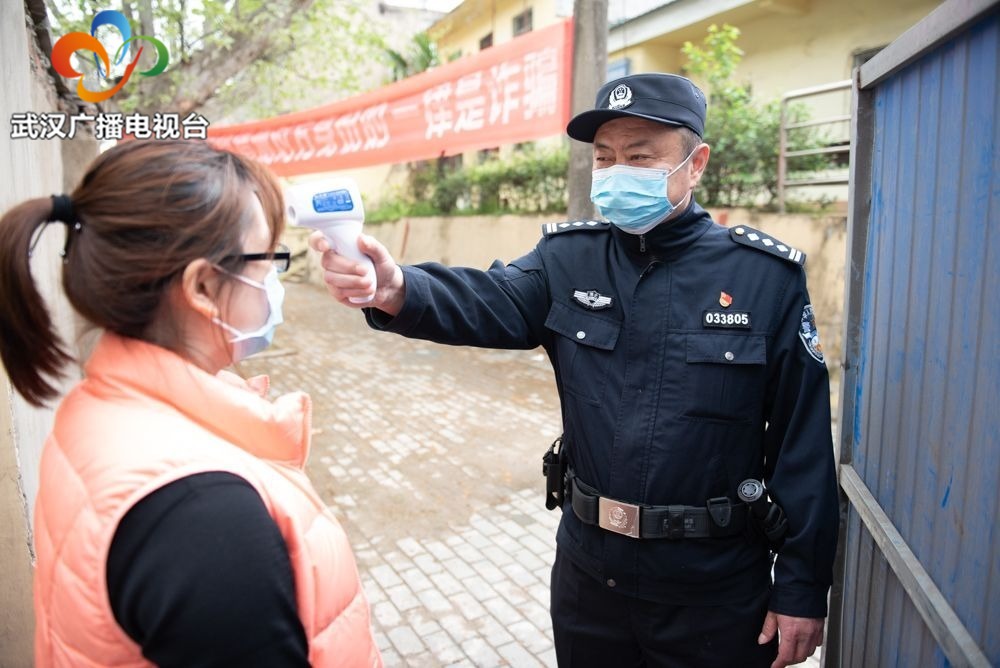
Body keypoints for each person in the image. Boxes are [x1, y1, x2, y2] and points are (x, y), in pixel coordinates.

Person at [310, 72, 839, 668]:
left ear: (696, 164)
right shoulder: (568, 258)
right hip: (591, 580)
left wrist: (801, 587)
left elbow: (803, 446)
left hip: (713, 590)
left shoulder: (763, 279)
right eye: (604, 158)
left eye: (640, 157)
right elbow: (491, 299)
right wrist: (396, 287)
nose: (617, 173)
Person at [0, 140, 381, 667]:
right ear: (202, 286)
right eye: (268, 260)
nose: (274, 282)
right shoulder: (202, 516)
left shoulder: (98, 408)